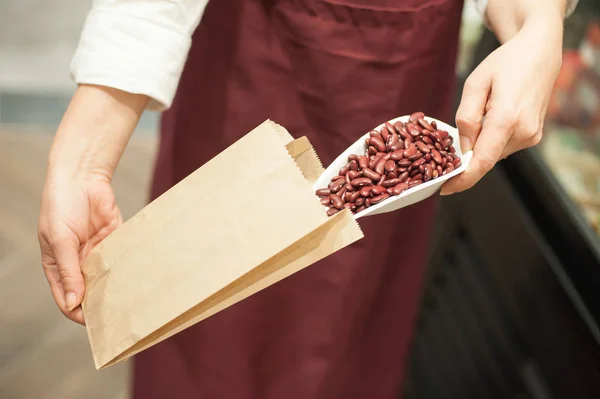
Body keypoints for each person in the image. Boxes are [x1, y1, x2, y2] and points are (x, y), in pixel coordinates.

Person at [38, 0, 577, 397]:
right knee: (202, 316)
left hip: (395, 70)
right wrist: (84, 159)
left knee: (337, 348)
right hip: (246, 64)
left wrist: (539, 25)